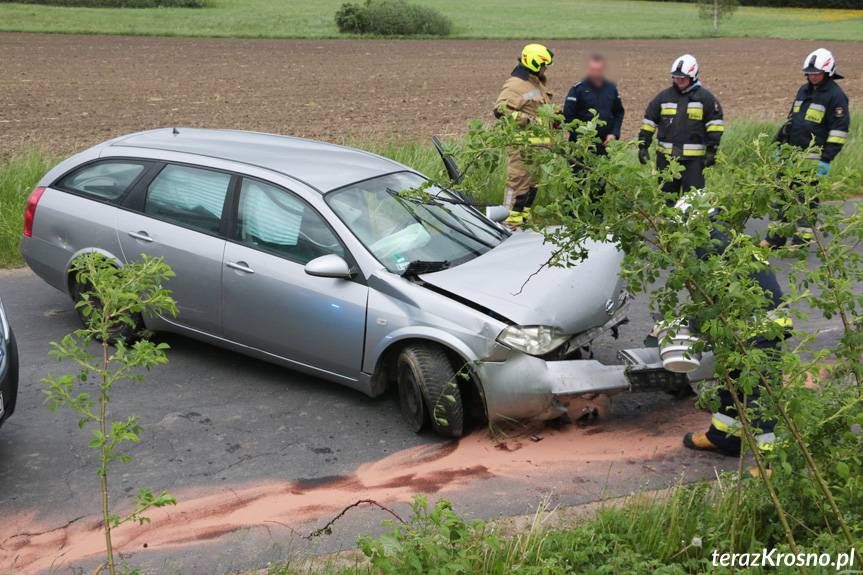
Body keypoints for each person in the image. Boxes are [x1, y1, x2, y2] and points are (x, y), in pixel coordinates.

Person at [683, 226, 789, 458]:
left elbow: (712, 298)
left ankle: (772, 464)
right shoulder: (724, 236)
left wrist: (688, 324)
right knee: (732, 376)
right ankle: (723, 438)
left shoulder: (711, 247)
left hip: (760, 325)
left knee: (760, 392)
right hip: (749, 321)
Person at [765, 48, 850, 248]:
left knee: (806, 200)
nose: (812, 76)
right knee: (781, 194)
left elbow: (839, 131)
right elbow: (792, 119)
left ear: (828, 72)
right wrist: (778, 143)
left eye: (816, 73)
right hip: (790, 153)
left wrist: (826, 159)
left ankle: (802, 240)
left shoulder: (836, 96)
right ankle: (775, 238)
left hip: (812, 158)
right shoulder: (803, 90)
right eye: (809, 73)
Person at [638, 54, 724, 201]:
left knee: (694, 202)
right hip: (666, 160)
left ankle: (691, 225)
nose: (678, 81)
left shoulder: (706, 99)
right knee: (666, 201)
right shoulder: (663, 97)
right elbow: (649, 121)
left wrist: (712, 151)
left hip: (694, 163)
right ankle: (667, 224)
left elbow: (715, 126)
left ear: (693, 76)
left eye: (682, 78)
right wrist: (643, 146)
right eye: (676, 77)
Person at [494, 43, 554, 226]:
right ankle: (508, 226)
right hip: (522, 148)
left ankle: (522, 222)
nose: (545, 69)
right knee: (517, 185)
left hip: (537, 149)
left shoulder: (534, 82)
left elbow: (537, 108)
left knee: (531, 189)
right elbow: (500, 111)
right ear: (534, 64)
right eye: (543, 65)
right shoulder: (516, 84)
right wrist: (528, 120)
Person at [563, 53, 625, 156]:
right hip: (580, 146)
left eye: (599, 70)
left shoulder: (611, 89)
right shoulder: (577, 89)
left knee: (604, 171)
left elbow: (619, 112)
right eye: (593, 70)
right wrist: (580, 137)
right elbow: (568, 115)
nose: (595, 74)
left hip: (604, 145)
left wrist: (614, 134)